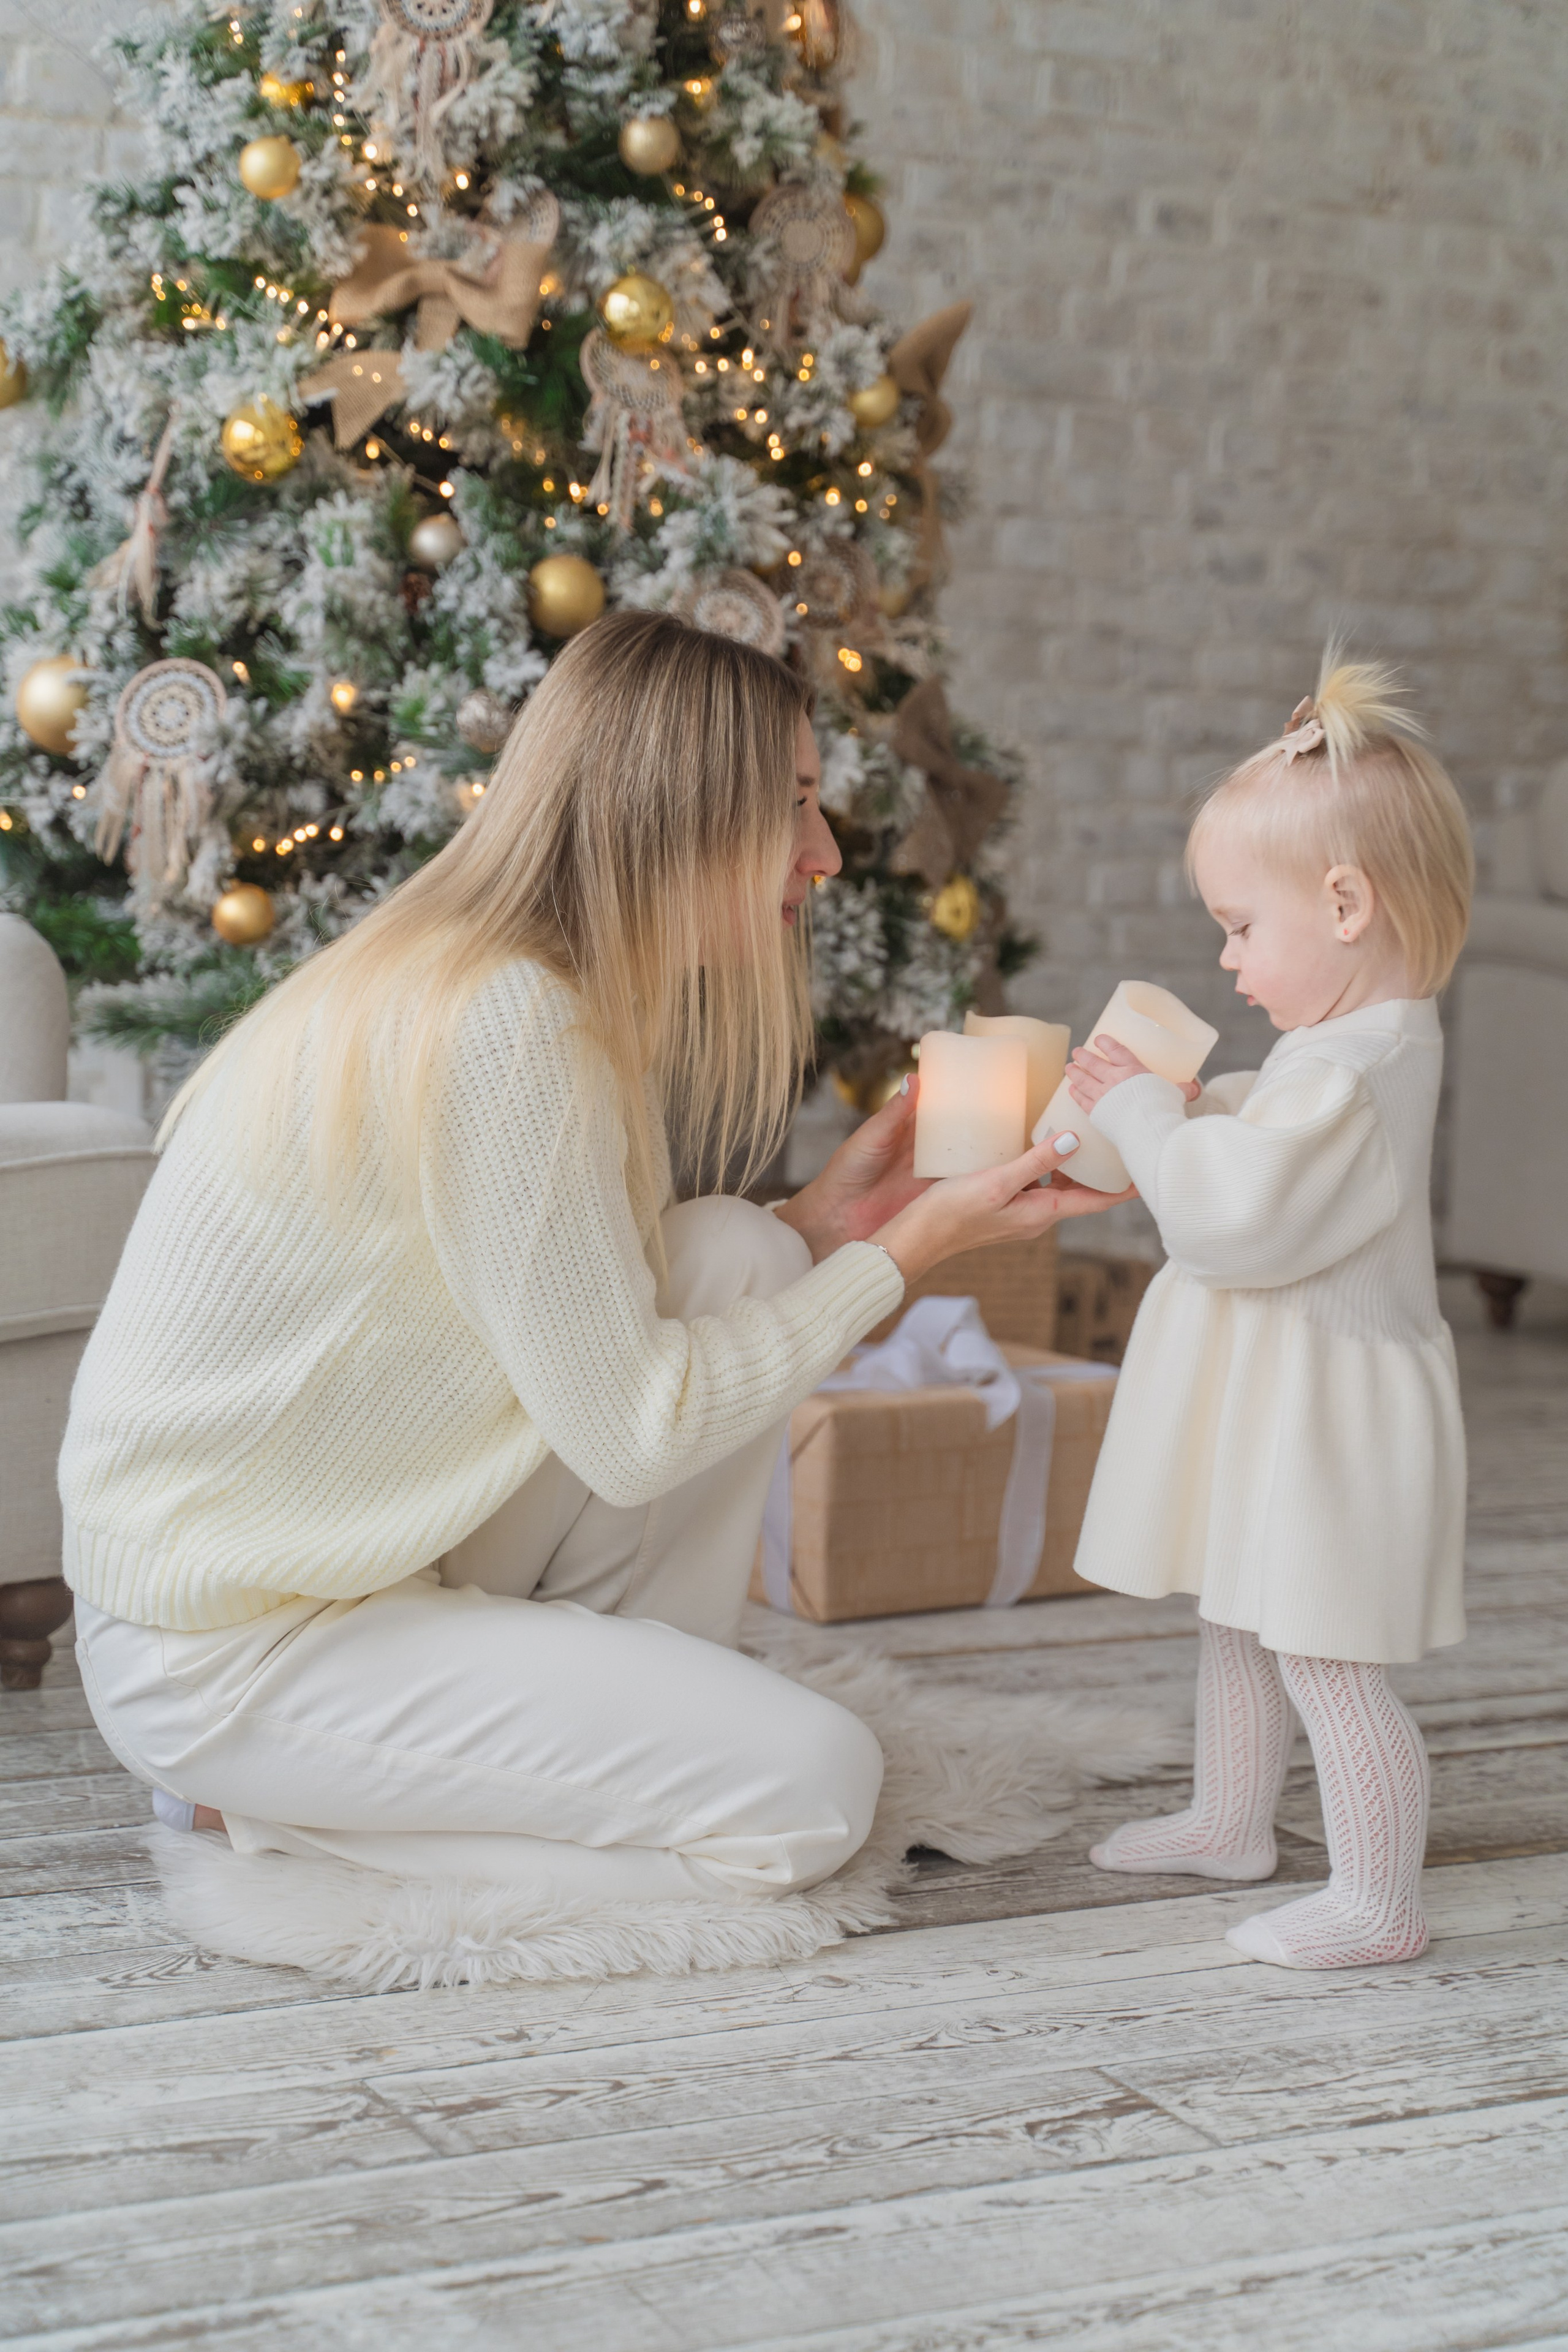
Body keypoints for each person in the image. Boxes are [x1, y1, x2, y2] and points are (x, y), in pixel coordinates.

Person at [61, 611, 1117, 1908]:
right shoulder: (506, 1026)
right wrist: (901, 1257)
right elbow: (630, 1434)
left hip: (361, 1550)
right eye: (793, 805)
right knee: (811, 1799)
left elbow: (582, 1335)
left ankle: (610, 1724)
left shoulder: (525, 988)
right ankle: (263, 1811)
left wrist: (825, 1232)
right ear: (684, 808)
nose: (825, 854)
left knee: (735, 1250)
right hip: (238, 1644)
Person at [1066, 652, 1473, 1970]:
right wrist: (1187, 1108)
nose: (1225, 956)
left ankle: (1375, 1898)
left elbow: (1234, 1218)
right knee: (1237, 1615)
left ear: (1343, 903)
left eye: (1240, 925)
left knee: (1323, 1656)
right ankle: (1228, 1819)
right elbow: (1272, 1148)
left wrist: (1141, 1109)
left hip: (1326, 1416)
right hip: (1282, 1402)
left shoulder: (1353, 1072)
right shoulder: (1342, 1053)